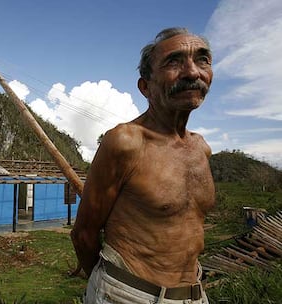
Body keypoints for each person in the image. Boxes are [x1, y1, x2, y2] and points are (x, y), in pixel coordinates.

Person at [71, 27, 215, 304]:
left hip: (195, 294)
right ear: (145, 87)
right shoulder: (125, 142)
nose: (192, 72)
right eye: (174, 61)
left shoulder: (202, 149)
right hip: (129, 293)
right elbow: (83, 234)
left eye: (202, 59)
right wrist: (107, 286)